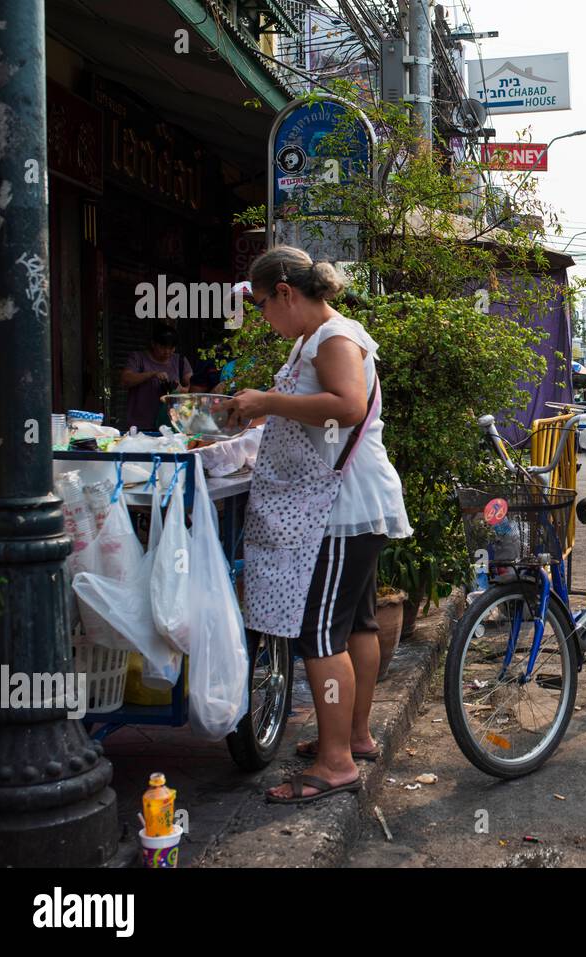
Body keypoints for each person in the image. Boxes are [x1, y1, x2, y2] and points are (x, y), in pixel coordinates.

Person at [222, 246, 412, 805]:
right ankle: (353, 736)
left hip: (340, 508)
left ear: (285, 293)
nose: (263, 317)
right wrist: (269, 407)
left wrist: (269, 401)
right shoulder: (318, 338)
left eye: (261, 304)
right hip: (351, 502)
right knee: (355, 624)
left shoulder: (332, 337)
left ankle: (335, 763)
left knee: (318, 632)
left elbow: (348, 406)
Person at [119, 323, 193, 432]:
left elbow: (194, 387)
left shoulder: (180, 361)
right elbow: (125, 380)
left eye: (171, 348)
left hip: (173, 425)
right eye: (163, 347)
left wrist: (182, 390)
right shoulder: (138, 358)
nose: (167, 352)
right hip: (141, 425)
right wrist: (152, 374)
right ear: (153, 344)